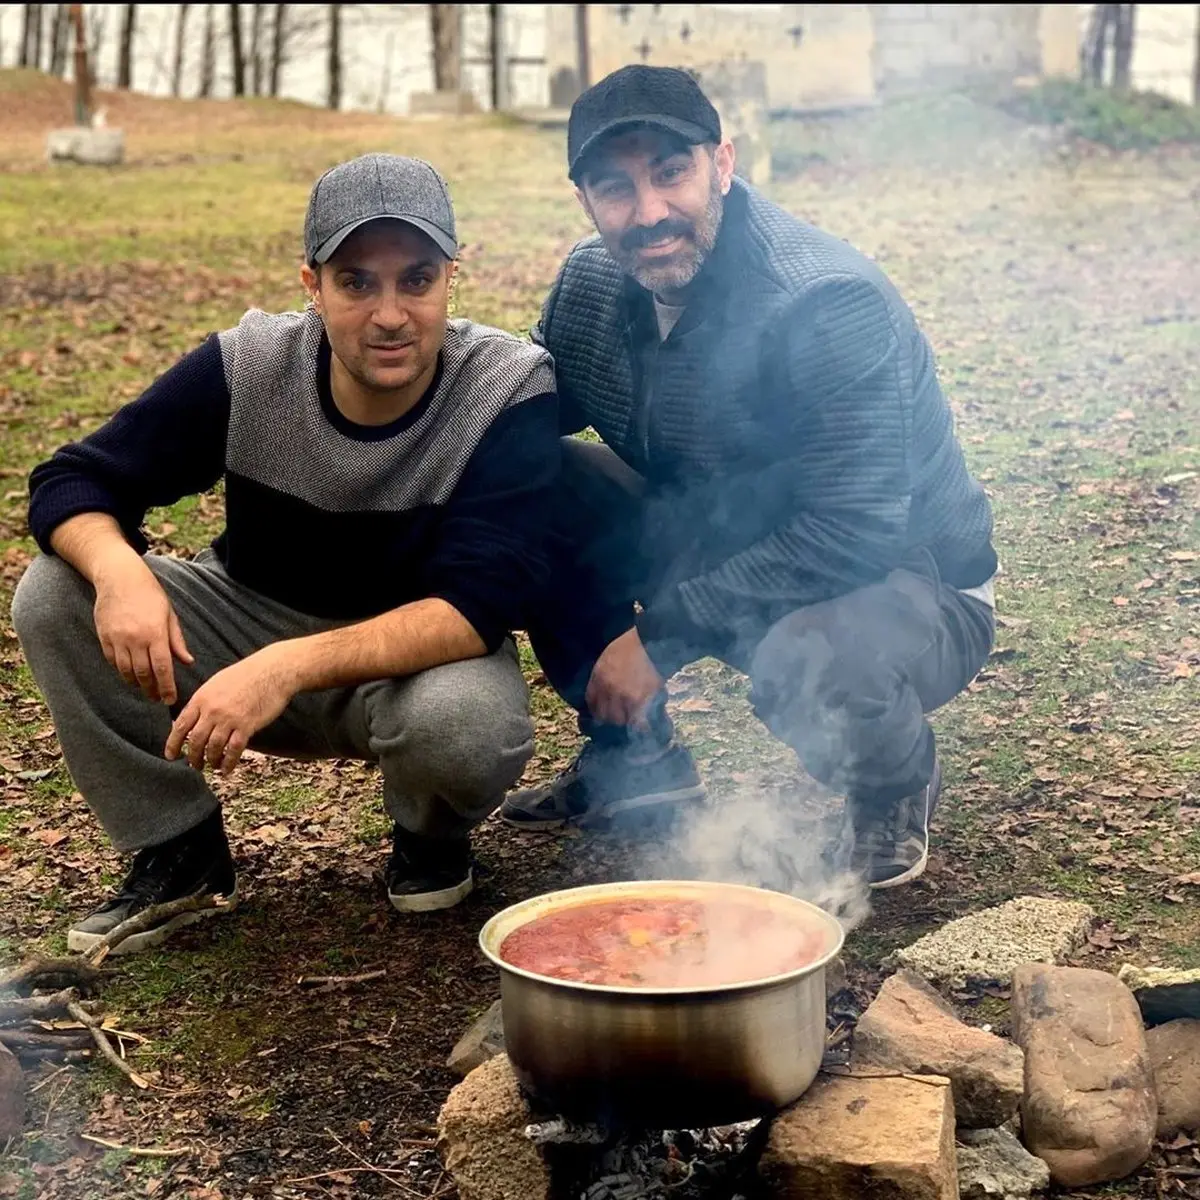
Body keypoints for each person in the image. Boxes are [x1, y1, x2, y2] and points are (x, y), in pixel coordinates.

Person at [12, 153, 560, 953]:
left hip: (412, 664)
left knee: (466, 725)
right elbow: (72, 479)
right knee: (55, 592)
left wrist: (284, 669)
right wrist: (119, 570)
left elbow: (478, 606)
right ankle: (178, 849)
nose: (390, 314)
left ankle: (429, 835)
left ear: (452, 276)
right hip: (242, 623)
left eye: (415, 279)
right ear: (312, 284)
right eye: (355, 282)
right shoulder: (251, 365)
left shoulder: (506, 387)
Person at [502, 66, 997, 890]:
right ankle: (636, 759)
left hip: (904, 576)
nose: (649, 212)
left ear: (723, 163)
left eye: (671, 172)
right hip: (720, 531)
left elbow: (854, 530)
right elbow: (525, 411)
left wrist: (658, 638)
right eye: (616, 187)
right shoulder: (591, 284)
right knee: (537, 485)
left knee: (811, 660)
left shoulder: (824, 301)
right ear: (584, 198)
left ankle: (890, 786)